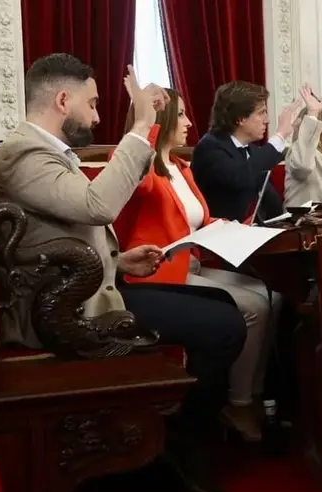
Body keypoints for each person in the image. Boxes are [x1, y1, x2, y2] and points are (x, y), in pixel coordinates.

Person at [0, 53, 246, 492]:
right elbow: (97, 207)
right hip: (61, 311)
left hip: (86, 286)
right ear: (63, 99)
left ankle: (182, 430)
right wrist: (141, 126)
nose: (98, 115)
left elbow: (59, 230)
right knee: (224, 326)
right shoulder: (24, 155)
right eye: (93, 103)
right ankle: (181, 439)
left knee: (222, 305)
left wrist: (120, 261)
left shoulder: (42, 153)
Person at [113, 89, 280, 443]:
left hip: (192, 265)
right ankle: (237, 401)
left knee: (272, 297)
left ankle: (253, 391)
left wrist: (235, 229)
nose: (190, 123)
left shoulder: (181, 167)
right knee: (252, 307)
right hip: (158, 273)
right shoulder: (142, 169)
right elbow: (137, 181)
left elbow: (201, 222)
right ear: (164, 120)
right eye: (183, 116)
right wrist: (149, 122)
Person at [191, 81, 300, 221]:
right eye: (261, 113)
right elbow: (241, 177)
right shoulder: (209, 148)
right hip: (223, 236)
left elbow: (271, 204)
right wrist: (280, 135)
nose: (266, 120)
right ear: (240, 118)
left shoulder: (252, 151)